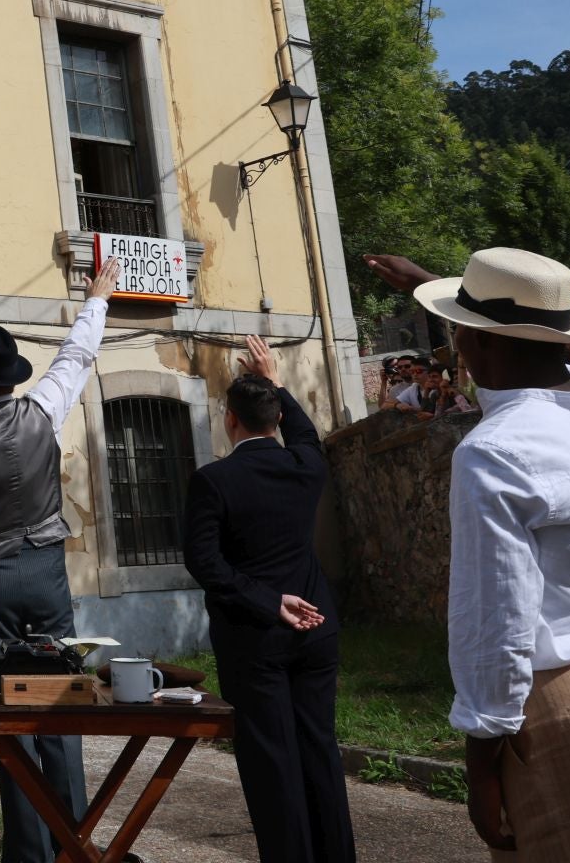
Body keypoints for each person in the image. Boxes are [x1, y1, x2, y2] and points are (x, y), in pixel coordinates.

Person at [365, 248, 570, 859]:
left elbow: (497, 620)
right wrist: (445, 292)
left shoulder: (495, 452)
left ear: (478, 344)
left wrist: (482, 759)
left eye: (461, 336)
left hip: (561, 699)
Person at [0, 259, 115, 863]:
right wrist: (97, 299)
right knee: (62, 701)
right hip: (45, 574)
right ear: (11, 381)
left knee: (9, 717)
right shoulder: (44, 410)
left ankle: (28, 853)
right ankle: (73, 841)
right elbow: (77, 356)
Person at [182, 336, 356, 863]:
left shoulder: (213, 481)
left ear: (229, 420)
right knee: (319, 750)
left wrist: (265, 601)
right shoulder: (306, 465)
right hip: (316, 628)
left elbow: (205, 563)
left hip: (254, 637)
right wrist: (275, 380)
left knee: (270, 761)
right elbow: (306, 433)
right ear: (276, 418)